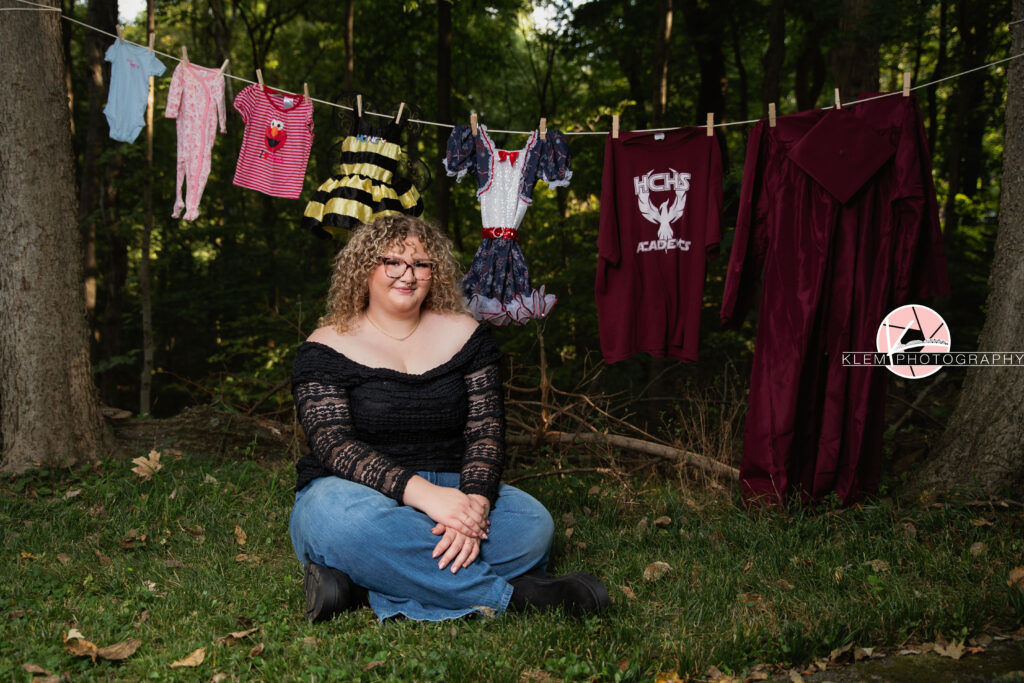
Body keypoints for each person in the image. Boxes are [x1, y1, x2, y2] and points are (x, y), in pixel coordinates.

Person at [288, 215, 610, 622]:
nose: (408, 275)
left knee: (532, 526)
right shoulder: (325, 346)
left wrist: (472, 504)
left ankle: (355, 585)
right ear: (364, 267)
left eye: (422, 264)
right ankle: (516, 599)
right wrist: (426, 497)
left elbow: (486, 434)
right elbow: (335, 446)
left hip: (454, 487)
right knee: (338, 521)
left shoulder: (467, 335)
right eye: (393, 262)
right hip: (353, 494)